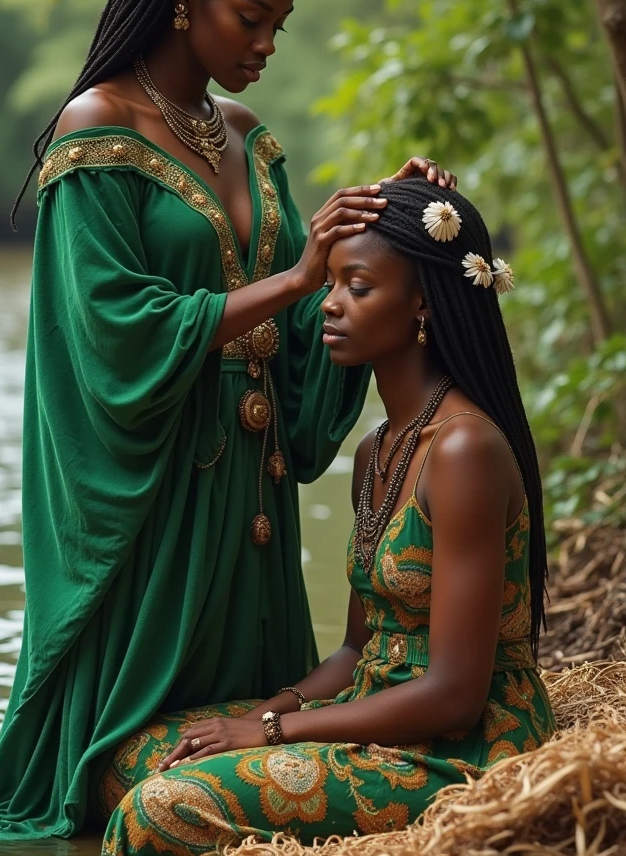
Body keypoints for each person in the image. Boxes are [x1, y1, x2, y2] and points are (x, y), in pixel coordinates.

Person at [0, 0, 455, 842]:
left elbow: (322, 310)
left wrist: (402, 216)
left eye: (279, 24)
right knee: (111, 778)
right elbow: (111, 329)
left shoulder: (253, 143)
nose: (266, 44)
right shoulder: (98, 131)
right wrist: (296, 280)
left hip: (247, 499)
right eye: (250, 18)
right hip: (157, 498)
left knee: (239, 749)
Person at [97, 178, 555, 856]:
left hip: (459, 749)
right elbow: (354, 650)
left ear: (423, 301)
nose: (329, 307)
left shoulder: (464, 449)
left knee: (161, 810)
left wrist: (275, 734)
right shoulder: (379, 447)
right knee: (128, 754)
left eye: (358, 288)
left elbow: (456, 694)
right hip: (378, 710)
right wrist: (272, 709)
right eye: (330, 285)